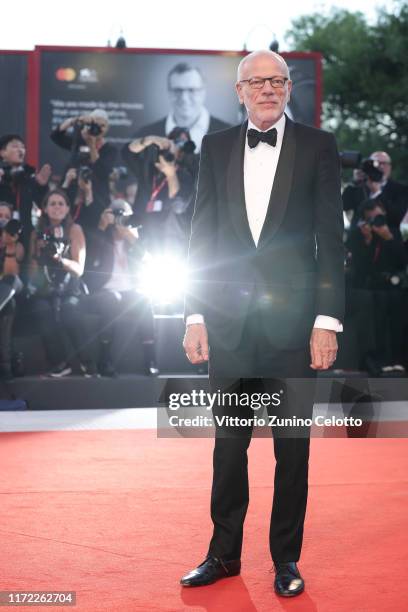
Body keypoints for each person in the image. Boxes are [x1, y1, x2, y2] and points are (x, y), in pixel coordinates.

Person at [181, 50, 345, 597]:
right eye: (257, 82)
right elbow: (200, 237)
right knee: (228, 446)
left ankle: (286, 561)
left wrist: (327, 319)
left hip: (294, 327)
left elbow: (331, 240)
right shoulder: (216, 146)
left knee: (291, 448)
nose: (268, 89)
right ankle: (223, 554)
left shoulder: (319, 146)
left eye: (277, 81)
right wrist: (195, 313)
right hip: (228, 325)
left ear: (290, 88)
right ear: (239, 91)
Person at [83, 199, 159, 377]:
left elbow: (148, 260)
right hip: (104, 291)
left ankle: (150, 358)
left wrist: (130, 236)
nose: (119, 220)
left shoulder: (134, 237)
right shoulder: (101, 235)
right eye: (116, 215)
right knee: (112, 300)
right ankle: (105, 358)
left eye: (123, 215)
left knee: (145, 300)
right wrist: (102, 227)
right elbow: (91, 261)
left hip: (130, 291)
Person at [28, 189, 97, 377]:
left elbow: (79, 269)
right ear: (45, 208)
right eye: (52, 203)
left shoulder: (74, 230)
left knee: (70, 311)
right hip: (46, 288)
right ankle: (59, 363)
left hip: (70, 288)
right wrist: (40, 256)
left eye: (61, 203)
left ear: (68, 208)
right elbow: (33, 270)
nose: (57, 207)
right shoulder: (38, 233)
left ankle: (87, 362)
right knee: (41, 309)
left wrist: (59, 259)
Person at [346, 200, 407, 372]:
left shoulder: (395, 233)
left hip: (394, 287)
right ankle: (379, 361)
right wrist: (367, 240)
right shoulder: (363, 236)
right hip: (373, 289)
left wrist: (389, 238)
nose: (376, 222)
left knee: (397, 325)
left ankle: (398, 361)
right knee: (376, 327)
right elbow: (361, 265)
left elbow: (402, 262)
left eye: (378, 217)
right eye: (371, 219)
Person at [122, 127, 196, 258]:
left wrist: (171, 174)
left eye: (184, 143)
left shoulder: (185, 175)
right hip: (141, 240)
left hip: (168, 245)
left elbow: (178, 206)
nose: (179, 147)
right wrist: (150, 140)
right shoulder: (149, 169)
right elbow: (126, 152)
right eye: (176, 141)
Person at [134, 63, 231, 152]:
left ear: (203, 92)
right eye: (177, 90)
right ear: (169, 93)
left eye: (192, 90)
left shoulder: (231, 135)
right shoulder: (144, 136)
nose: (184, 98)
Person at [51, 109, 117, 230]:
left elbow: (102, 171)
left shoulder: (110, 149)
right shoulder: (78, 141)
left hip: (96, 200)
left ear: (107, 128)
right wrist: (74, 121)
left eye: (102, 126)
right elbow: (55, 136)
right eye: (95, 124)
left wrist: (91, 144)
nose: (98, 128)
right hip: (72, 197)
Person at [0, 134, 51, 253]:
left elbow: (44, 206)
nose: (20, 150)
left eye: (22, 147)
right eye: (15, 146)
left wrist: (42, 187)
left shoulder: (29, 179)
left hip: (25, 235)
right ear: (2, 152)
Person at [343, 151, 408, 230]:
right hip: (358, 238)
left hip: (387, 238)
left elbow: (398, 217)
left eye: (383, 163)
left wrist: (377, 193)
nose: (379, 166)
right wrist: (354, 181)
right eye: (375, 163)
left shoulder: (401, 189)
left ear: (390, 166)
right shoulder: (359, 186)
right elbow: (344, 206)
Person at [0, 203, 24, 380]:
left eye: (6, 216)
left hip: (9, 290)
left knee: (12, 282)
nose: (2, 220)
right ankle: (5, 366)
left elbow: (12, 276)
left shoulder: (17, 245)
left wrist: (9, 246)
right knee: (9, 305)